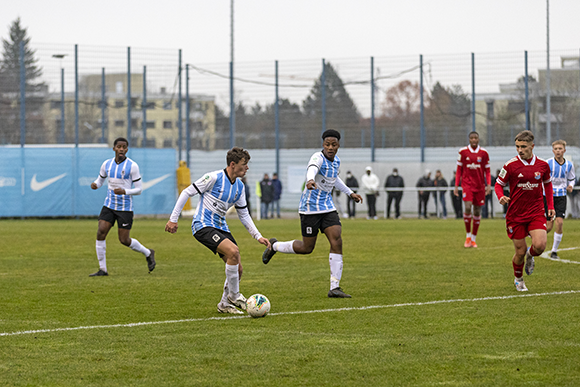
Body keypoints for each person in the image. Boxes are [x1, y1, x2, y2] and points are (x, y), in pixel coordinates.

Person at [165, 147, 271, 314]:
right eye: (244, 164)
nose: (247, 168)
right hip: (202, 225)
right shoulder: (213, 178)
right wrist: (173, 218)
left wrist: (258, 236)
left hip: (221, 227)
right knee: (233, 251)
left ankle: (224, 304)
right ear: (233, 164)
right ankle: (234, 296)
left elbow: (244, 215)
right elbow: (187, 192)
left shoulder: (240, 187)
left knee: (238, 268)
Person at [261, 129, 363, 298]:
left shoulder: (336, 161)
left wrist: (350, 193)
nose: (330, 147)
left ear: (338, 146)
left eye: (334, 144)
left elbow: (334, 179)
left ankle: (334, 287)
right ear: (323, 145)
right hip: (310, 208)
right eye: (327, 144)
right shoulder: (318, 157)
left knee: (336, 239)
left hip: (327, 207)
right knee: (307, 248)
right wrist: (309, 180)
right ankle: (274, 246)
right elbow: (312, 169)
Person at [495, 130, 554, 292]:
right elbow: (498, 184)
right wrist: (501, 196)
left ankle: (531, 255)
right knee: (519, 252)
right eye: (517, 147)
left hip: (536, 212)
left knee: (540, 245)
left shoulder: (542, 165)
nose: (520, 150)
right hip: (516, 215)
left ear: (532, 146)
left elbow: (548, 184)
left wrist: (550, 206)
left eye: (523, 146)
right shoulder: (510, 165)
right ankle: (519, 279)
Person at [89, 137, 155, 276]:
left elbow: (139, 189)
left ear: (126, 150)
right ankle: (103, 269)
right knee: (101, 231)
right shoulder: (106, 164)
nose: (121, 149)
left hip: (125, 208)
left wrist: (125, 191)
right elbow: (100, 180)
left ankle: (148, 253)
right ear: (114, 148)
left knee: (124, 240)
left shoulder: (132, 166)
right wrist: (95, 184)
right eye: (118, 146)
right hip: (109, 205)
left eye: (124, 147)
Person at [454, 131, 491, 248]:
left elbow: (488, 171)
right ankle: (468, 236)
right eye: (472, 138)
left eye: (476, 138)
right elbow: (459, 170)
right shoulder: (463, 152)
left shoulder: (484, 153)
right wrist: (456, 185)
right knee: (468, 206)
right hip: (467, 185)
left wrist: (488, 184)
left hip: (479, 186)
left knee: (477, 211)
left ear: (478, 139)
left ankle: (474, 239)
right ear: (469, 139)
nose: (474, 140)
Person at [545, 140, 576, 259]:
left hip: (561, 196)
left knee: (560, 222)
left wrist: (571, 186)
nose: (558, 151)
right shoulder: (548, 163)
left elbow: (572, 178)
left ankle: (554, 251)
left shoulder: (569, 165)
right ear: (553, 151)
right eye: (556, 149)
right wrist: (547, 189)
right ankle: (534, 238)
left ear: (564, 150)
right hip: (549, 197)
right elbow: (541, 178)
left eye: (560, 148)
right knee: (548, 226)